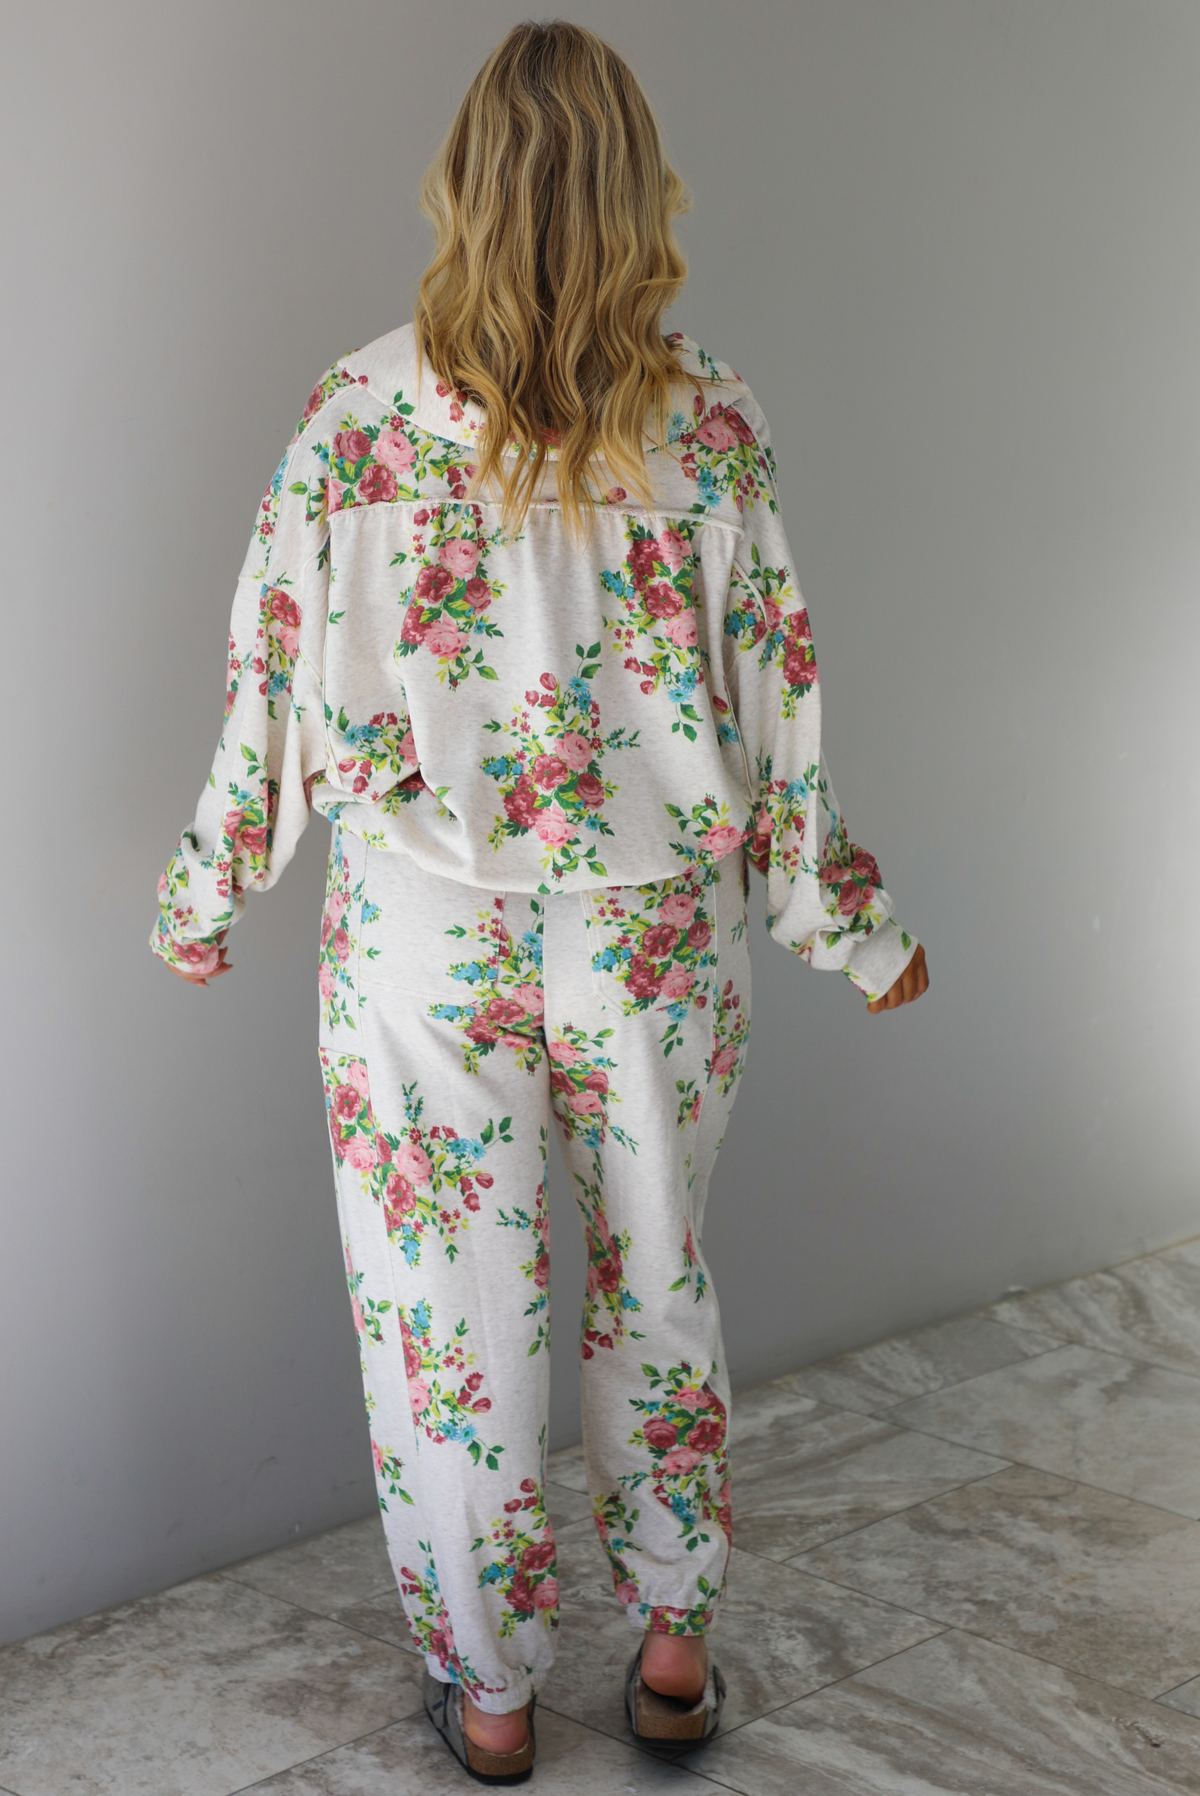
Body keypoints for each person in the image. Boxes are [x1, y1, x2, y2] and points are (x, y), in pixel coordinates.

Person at [150, 18, 928, 1785]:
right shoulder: (712, 419)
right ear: (639, 190)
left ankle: (494, 1700)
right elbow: (776, 703)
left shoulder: (354, 418)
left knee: (450, 1308)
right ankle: (667, 1655)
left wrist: (207, 893)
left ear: (462, 189)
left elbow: (269, 685)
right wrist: (849, 924)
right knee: (655, 1277)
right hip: (658, 937)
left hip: (426, 943)